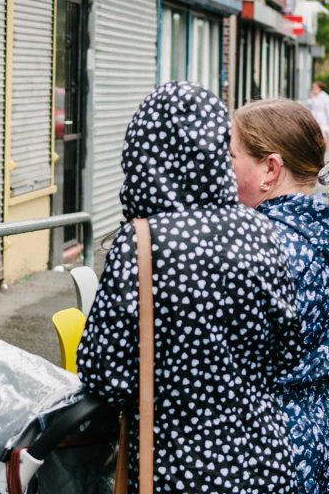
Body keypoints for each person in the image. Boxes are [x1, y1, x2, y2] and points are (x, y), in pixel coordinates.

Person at [77, 82, 302, 494]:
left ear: (143, 155)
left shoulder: (140, 243)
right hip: (265, 461)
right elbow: (288, 350)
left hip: (175, 467)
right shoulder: (261, 230)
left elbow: (103, 372)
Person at [230, 98, 329, 494]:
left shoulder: (264, 243)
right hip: (322, 430)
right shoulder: (326, 226)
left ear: (270, 168)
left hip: (267, 442)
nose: (222, 169)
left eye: (231, 156)